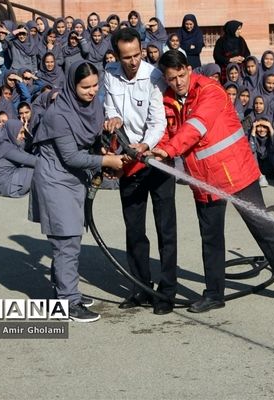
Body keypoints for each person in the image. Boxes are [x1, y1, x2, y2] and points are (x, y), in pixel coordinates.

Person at [152, 50, 274, 313]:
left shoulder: (209, 90)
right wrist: (153, 147)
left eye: (181, 75)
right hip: (203, 179)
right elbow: (168, 132)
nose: (178, 82)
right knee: (210, 237)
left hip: (236, 172)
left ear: (189, 69)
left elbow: (197, 126)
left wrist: (169, 150)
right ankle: (214, 294)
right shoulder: (168, 100)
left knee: (262, 227)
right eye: (171, 78)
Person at [29, 61, 125, 322]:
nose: (92, 91)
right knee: (66, 242)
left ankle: (65, 291)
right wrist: (106, 162)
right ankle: (67, 302)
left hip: (73, 181)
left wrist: (104, 143)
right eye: (85, 87)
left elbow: (90, 141)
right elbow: (71, 156)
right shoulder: (58, 114)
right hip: (55, 181)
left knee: (69, 241)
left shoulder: (91, 106)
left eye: (95, 85)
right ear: (72, 85)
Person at [103, 28, 177, 316]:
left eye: (137, 55)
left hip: (155, 159)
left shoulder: (154, 76)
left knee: (165, 229)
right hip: (128, 160)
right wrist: (114, 120)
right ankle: (139, 287)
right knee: (134, 229)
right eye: (127, 57)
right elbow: (109, 108)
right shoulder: (110, 73)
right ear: (117, 56)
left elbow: (158, 121)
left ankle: (167, 291)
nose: (133, 61)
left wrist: (145, 145)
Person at [0, 119, 36, 197]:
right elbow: (32, 160)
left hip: (0, 186)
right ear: (12, 132)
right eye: (21, 132)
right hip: (9, 187)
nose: (23, 136)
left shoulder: (2, 144)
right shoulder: (8, 148)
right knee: (39, 169)